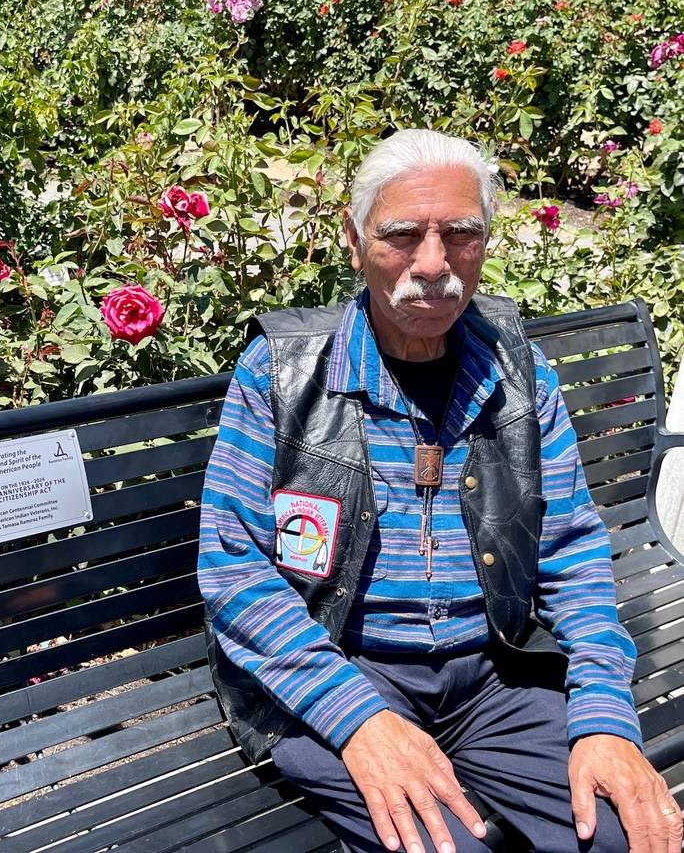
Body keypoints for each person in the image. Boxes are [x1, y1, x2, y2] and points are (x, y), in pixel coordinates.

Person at [196, 128, 684, 853]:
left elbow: (572, 551)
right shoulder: (281, 373)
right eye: (402, 234)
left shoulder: (518, 371)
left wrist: (606, 717)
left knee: (629, 836)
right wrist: (357, 716)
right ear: (355, 238)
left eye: (461, 234)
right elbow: (235, 566)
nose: (434, 264)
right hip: (338, 668)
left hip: (491, 677)